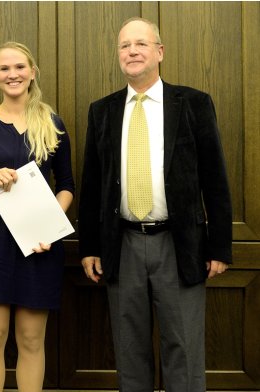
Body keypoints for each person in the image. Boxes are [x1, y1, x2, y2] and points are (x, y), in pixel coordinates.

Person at [78, 17, 232, 392]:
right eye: (125, 45)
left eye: (141, 44)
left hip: (179, 246)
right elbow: (92, 186)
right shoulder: (103, 111)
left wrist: (220, 247)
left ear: (159, 52)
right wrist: (90, 248)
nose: (132, 51)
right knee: (129, 352)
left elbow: (215, 179)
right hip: (123, 246)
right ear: (118, 55)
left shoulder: (194, 104)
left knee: (183, 347)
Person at [0, 42, 75, 392]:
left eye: (20, 67)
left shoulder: (52, 123)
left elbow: (67, 185)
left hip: (38, 244)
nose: (13, 74)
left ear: (32, 72)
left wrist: (50, 227)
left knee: (30, 340)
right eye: (5, 69)